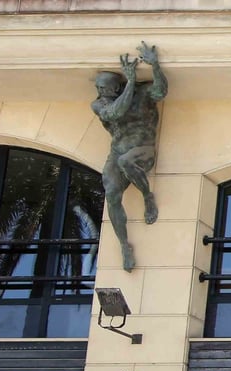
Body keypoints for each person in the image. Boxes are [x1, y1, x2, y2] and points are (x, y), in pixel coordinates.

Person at [92, 41, 168, 272]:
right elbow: (116, 112)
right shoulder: (99, 104)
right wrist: (131, 81)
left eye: (103, 88)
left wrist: (154, 66)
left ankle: (147, 196)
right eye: (98, 88)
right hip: (117, 151)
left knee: (126, 162)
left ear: (115, 88)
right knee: (112, 193)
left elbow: (161, 91)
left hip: (142, 150)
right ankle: (124, 246)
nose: (100, 92)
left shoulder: (142, 93)